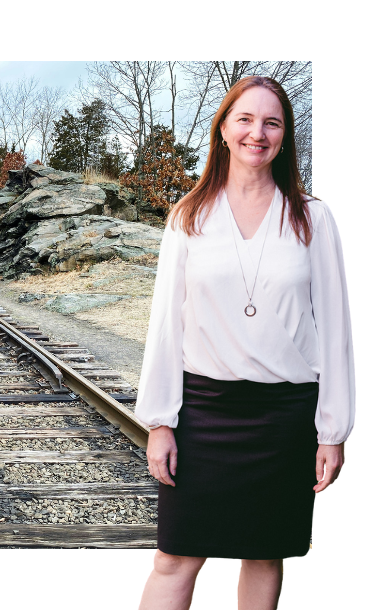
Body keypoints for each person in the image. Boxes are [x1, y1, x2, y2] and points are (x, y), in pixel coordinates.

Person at [134, 75, 354, 610]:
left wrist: (332, 431)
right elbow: (166, 325)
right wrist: (160, 422)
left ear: (284, 136)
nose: (258, 132)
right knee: (174, 559)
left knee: (263, 554)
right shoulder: (189, 215)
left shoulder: (313, 218)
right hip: (204, 411)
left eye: (272, 122)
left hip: (284, 417)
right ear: (224, 131)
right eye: (246, 119)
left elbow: (336, 331)